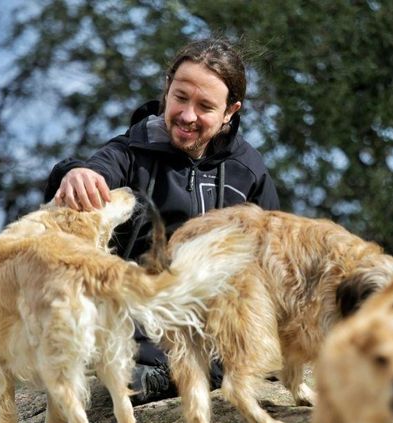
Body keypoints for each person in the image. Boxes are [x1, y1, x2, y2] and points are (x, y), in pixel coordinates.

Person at [43, 38, 280, 403]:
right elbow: (92, 171)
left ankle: (182, 375)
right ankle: (160, 375)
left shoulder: (248, 171)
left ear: (230, 112)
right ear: (167, 88)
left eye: (205, 107)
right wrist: (74, 173)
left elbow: (274, 256)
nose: (187, 115)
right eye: (181, 97)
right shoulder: (130, 151)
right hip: (140, 314)